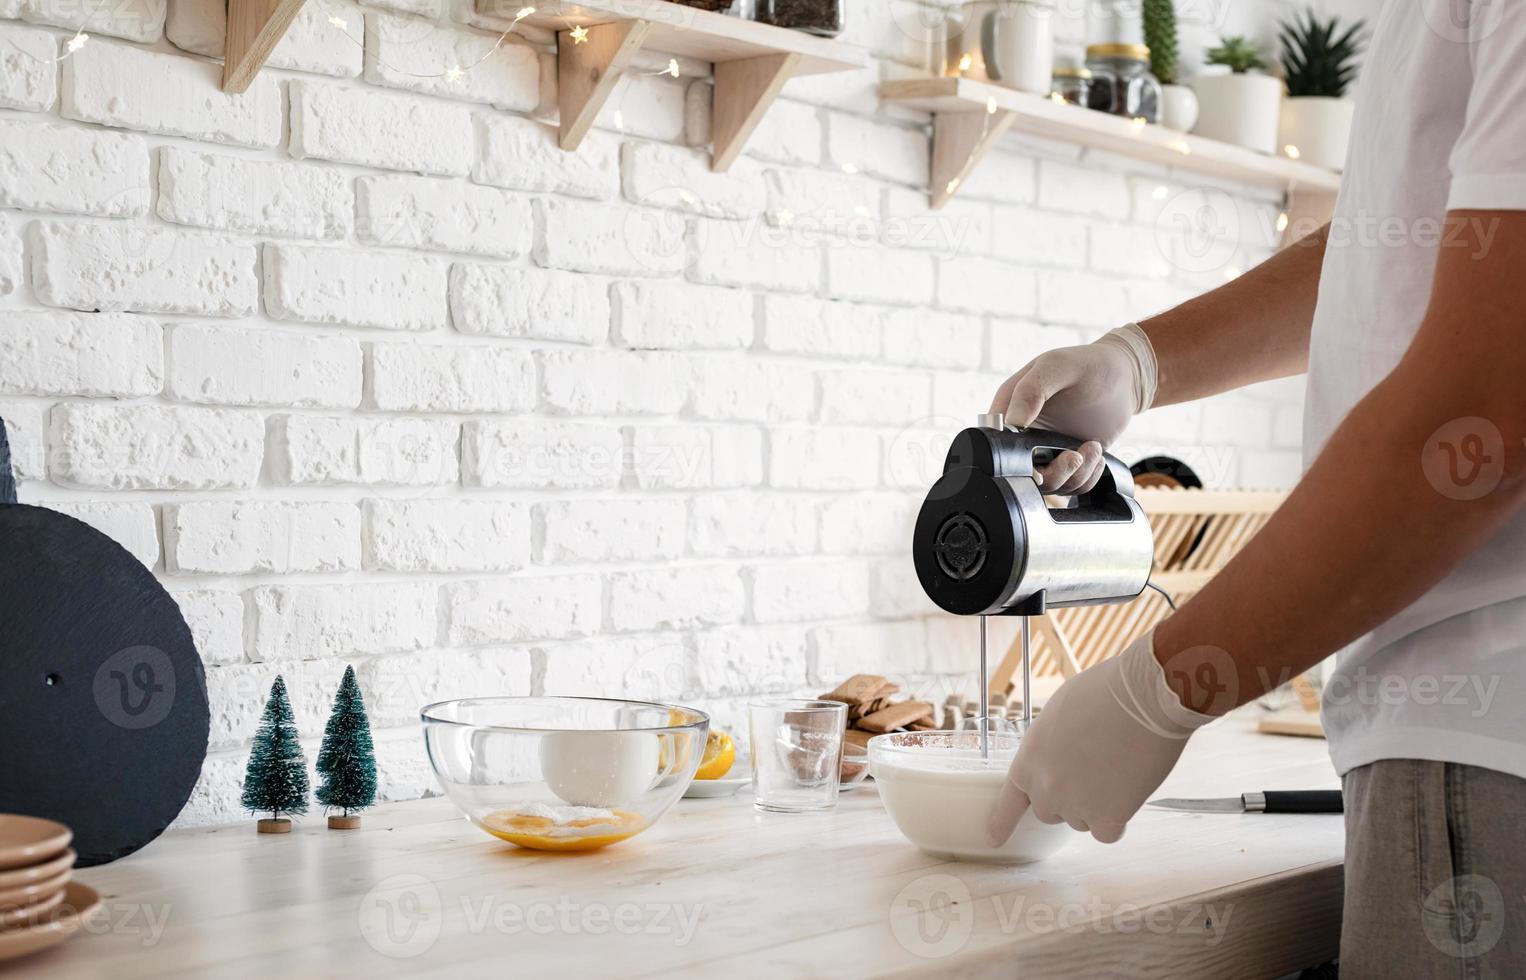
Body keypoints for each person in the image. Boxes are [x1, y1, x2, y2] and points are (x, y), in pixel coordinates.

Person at [983, 3, 1526, 974]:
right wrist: (1140, 362)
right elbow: (1408, 239)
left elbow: (1483, 410)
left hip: (1487, 745)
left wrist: (1161, 685)